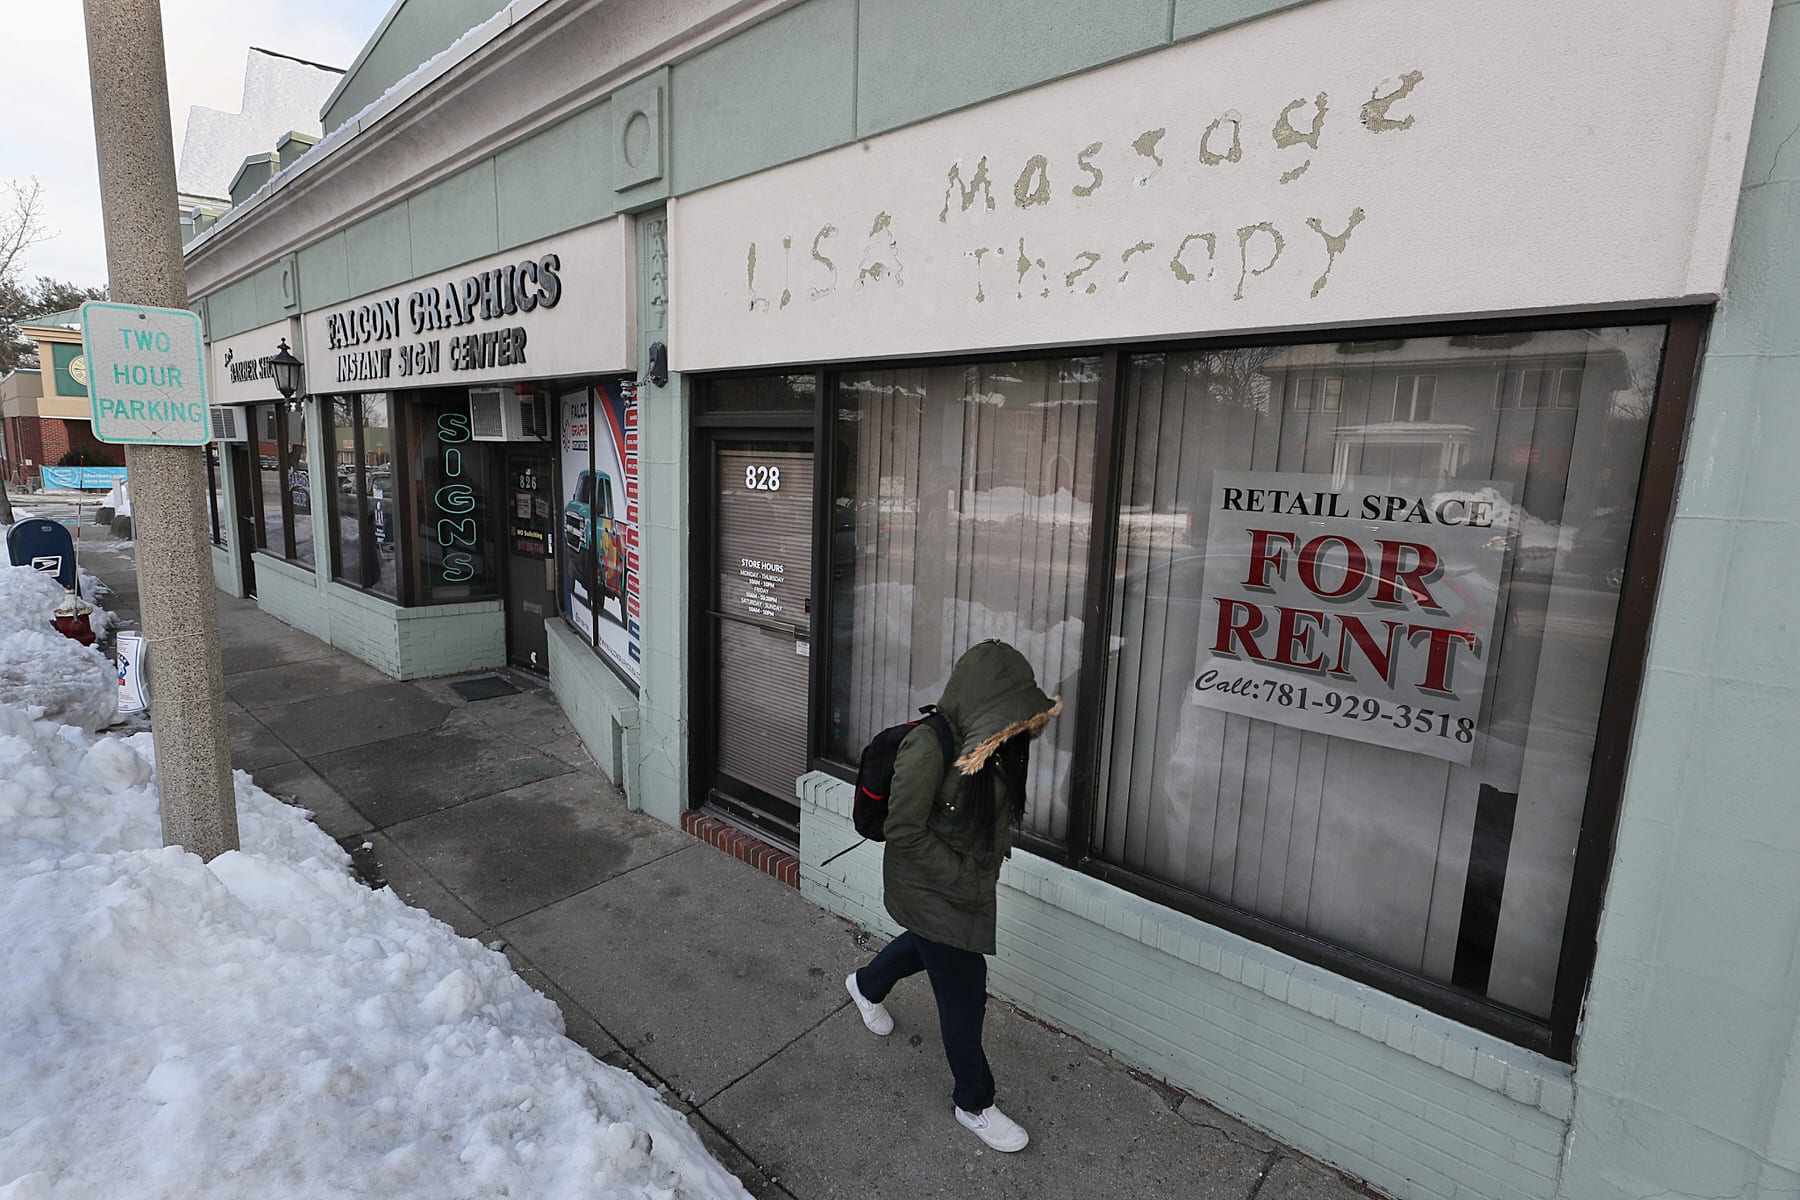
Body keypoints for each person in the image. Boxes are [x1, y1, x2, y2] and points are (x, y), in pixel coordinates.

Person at [844, 639, 1061, 1152]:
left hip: (959, 886)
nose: (1021, 730)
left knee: (926, 946)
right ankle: (975, 1103)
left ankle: (867, 984)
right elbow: (905, 830)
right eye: (1012, 716)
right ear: (985, 701)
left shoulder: (988, 744)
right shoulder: (929, 748)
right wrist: (964, 875)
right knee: (964, 992)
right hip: (932, 886)